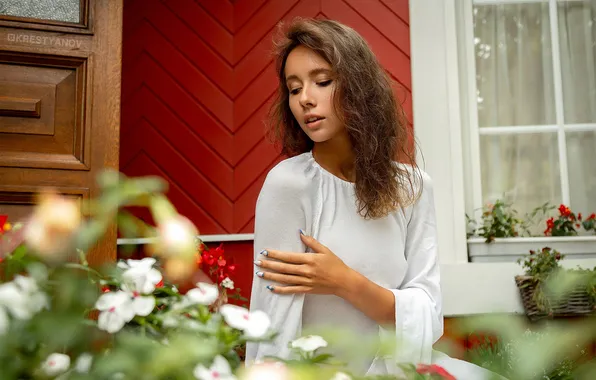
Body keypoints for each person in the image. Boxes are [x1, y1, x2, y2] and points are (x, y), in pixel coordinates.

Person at [246, 18, 501, 379]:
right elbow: (273, 321)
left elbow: (428, 318)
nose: (305, 98)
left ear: (359, 85)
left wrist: (344, 281)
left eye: (322, 81)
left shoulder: (413, 187)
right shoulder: (288, 185)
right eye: (293, 88)